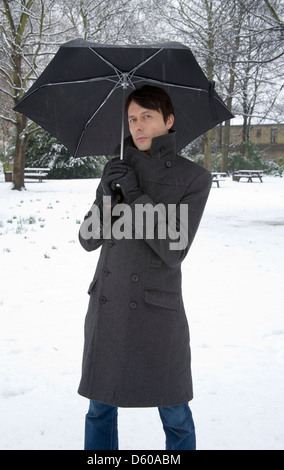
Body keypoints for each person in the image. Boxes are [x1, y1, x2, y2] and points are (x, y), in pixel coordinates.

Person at [78, 85, 212, 450]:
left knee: (175, 415)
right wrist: (106, 196)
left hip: (157, 310)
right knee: (99, 410)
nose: (137, 126)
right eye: (132, 118)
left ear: (169, 121)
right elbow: (88, 239)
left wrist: (134, 194)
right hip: (110, 305)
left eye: (147, 117)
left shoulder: (194, 178)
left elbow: (174, 247)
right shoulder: (117, 167)